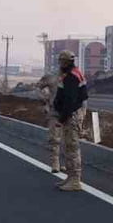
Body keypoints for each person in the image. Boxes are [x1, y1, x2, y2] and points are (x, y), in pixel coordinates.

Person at [53, 50, 88, 192]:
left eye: (61, 61)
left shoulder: (71, 77)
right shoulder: (72, 74)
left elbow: (70, 100)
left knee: (72, 147)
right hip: (72, 114)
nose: (59, 64)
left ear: (65, 62)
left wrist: (62, 119)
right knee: (68, 146)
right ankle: (70, 177)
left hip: (72, 116)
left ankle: (75, 180)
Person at [38, 70, 62, 173]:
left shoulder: (73, 77)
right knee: (54, 138)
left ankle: (67, 163)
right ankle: (55, 163)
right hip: (55, 112)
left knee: (68, 139)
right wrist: (44, 101)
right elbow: (38, 87)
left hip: (69, 113)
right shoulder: (51, 77)